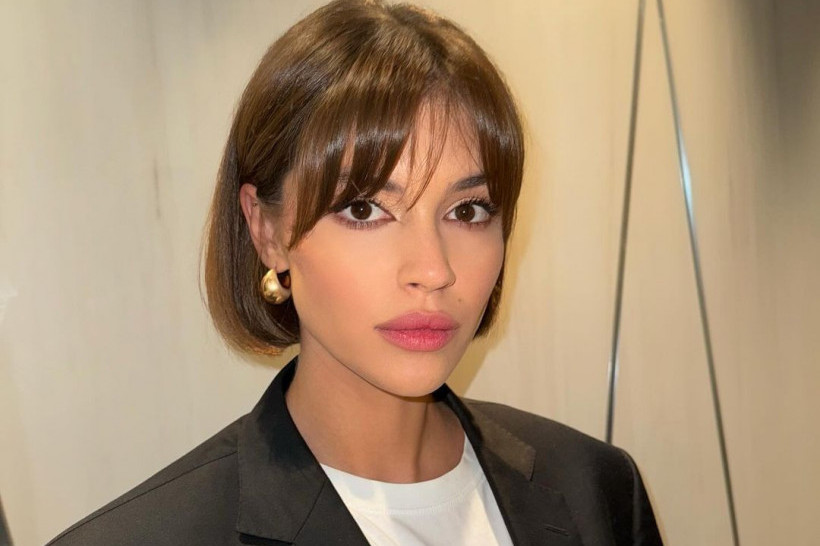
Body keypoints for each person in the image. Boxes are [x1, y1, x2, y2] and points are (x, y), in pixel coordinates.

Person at [49, 0, 662, 544]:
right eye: (365, 209)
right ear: (267, 231)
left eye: (468, 210)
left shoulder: (597, 489)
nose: (433, 270)